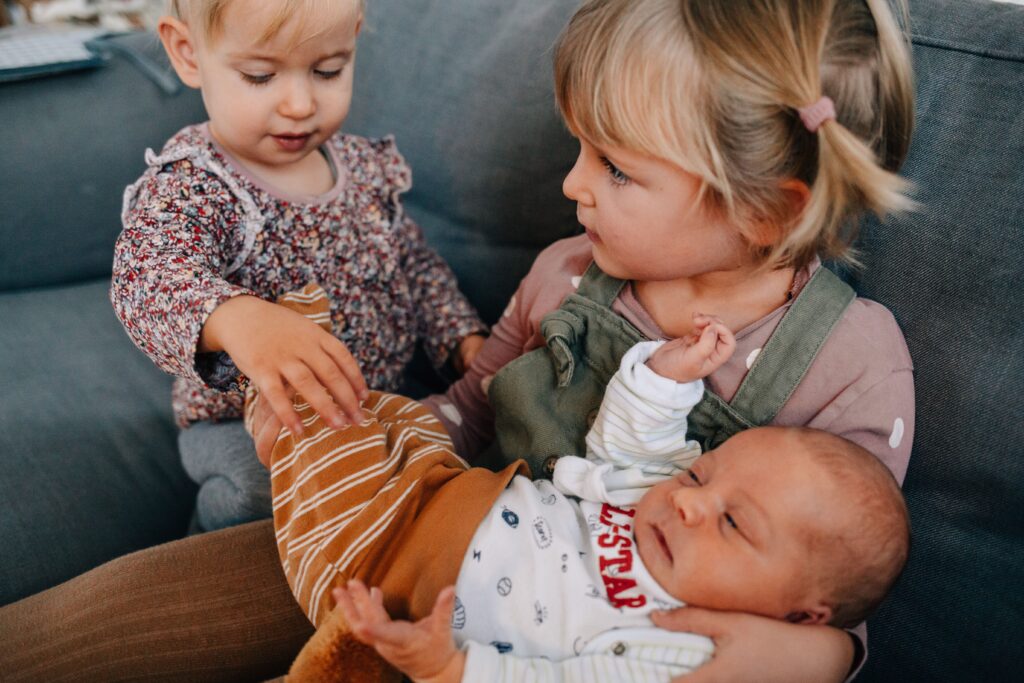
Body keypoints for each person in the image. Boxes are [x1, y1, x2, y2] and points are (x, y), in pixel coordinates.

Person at [0, 0, 916, 680]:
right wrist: (338, 439)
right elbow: (468, 411)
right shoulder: (567, 270)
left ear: (763, 208)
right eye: (579, 150)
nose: (572, 185)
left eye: (615, 167)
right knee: (77, 634)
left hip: (558, 651)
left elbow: (846, 571)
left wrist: (819, 654)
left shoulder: (847, 360)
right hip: (400, 529)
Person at [249, 289, 908, 682]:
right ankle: (292, 377)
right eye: (701, 472)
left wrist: (453, 669)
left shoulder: (682, 647)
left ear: (800, 611)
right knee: (388, 417)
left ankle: (286, 377)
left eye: (733, 523)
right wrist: (665, 377)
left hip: (398, 580)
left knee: (328, 433)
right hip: (442, 484)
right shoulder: (657, 497)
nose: (688, 498)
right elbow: (636, 439)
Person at [110, 0, 486, 532]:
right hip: (244, 425)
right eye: (261, 76)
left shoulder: (360, 165)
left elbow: (415, 264)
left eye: (328, 69)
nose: (300, 103)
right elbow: (145, 276)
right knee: (259, 494)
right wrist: (236, 317)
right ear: (187, 53)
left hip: (372, 403)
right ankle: (214, 568)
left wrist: (461, 339)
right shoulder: (195, 182)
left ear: (354, 38)